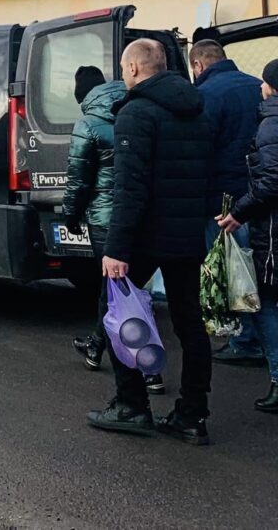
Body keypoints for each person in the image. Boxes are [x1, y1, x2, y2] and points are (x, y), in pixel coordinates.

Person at [86, 39, 214, 446]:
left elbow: (130, 187)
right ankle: (192, 416)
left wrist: (116, 248)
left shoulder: (136, 112)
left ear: (135, 69)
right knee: (189, 323)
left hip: (145, 236)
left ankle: (132, 404)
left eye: (125, 69)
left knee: (114, 310)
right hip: (186, 234)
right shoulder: (196, 108)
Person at [190, 39, 267, 368]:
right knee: (259, 268)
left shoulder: (206, 95)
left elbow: (200, 149)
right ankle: (264, 337)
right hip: (260, 195)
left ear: (198, 65)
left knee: (234, 270)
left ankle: (244, 339)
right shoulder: (257, 86)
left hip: (224, 201)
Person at [218, 57, 278, 413]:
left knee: (266, 302)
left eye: (265, 82)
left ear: (271, 87)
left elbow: (271, 182)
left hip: (272, 232)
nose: (260, 87)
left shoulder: (271, 123)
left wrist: (238, 212)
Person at [64, 67, 125, 369]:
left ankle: (143, 365)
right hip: (140, 214)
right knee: (122, 286)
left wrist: (71, 216)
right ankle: (96, 344)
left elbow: (78, 180)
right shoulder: (135, 110)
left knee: (114, 288)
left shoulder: (88, 123)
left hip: (105, 218)